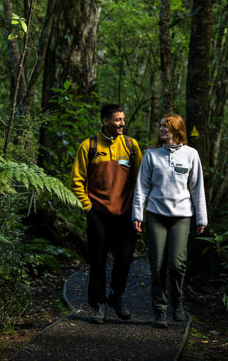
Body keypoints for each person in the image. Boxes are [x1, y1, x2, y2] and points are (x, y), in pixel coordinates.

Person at [132, 113, 207, 328]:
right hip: (156, 215)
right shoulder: (151, 155)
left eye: (167, 125)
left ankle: (178, 303)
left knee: (177, 264)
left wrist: (202, 218)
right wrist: (137, 214)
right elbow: (142, 187)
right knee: (157, 266)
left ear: (177, 129)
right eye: (161, 125)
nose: (162, 129)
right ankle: (160, 309)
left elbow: (197, 189)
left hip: (181, 217)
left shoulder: (191, 154)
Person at [70, 103, 143, 324]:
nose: (122, 123)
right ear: (105, 121)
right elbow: (77, 181)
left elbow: (141, 180)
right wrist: (88, 207)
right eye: (118, 120)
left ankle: (116, 297)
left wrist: (137, 208)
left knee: (125, 257)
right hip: (98, 213)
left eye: (123, 119)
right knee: (98, 260)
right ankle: (99, 304)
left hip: (125, 213)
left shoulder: (131, 146)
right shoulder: (89, 146)